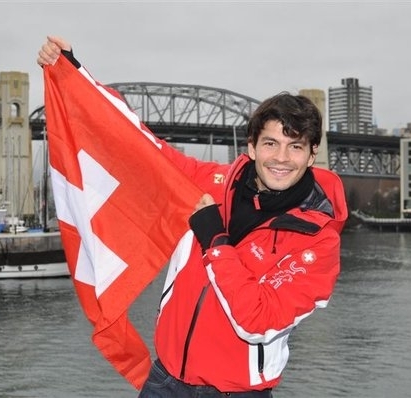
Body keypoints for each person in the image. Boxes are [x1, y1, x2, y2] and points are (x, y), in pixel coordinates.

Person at [38, 36, 348, 397]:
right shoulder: (212, 184)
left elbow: (259, 322)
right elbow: (142, 148)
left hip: (236, 392)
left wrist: (215, 241)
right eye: (270, 143)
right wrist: (75, 78)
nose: (281, 157)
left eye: (295, 147)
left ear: (312, 155)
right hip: (166, 380)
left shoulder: (319, 242)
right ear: (251, 147)